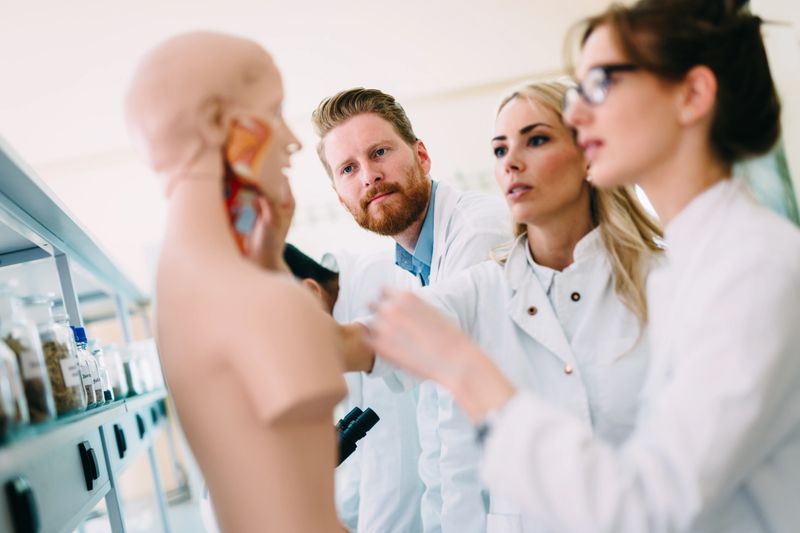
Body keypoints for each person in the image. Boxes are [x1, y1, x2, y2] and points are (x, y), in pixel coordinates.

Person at [369, 1, 800, 532]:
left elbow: (649, 509)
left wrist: (467, 371)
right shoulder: (695, 266)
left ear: (692, 95)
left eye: (602, 84)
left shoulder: (751, 270)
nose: (576, 116)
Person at [378, 79, 663, 532]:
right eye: (499, 149)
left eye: (537, 140)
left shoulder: (666, 281)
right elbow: (371, 338)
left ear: (589, 152)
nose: (510, 161)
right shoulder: (486, 285)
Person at [124, 32, 346, 532]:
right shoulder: (263, 301)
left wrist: (269, 260)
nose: (292, 140)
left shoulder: (181, 289)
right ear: (215, 123)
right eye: (274, 110)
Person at [312, 88, 512, 532]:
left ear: (421, 156)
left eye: (379, 152)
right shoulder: (409, 263)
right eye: (348, 169)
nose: (369, 176)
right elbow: (433, 429)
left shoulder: (475, 234)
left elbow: (461, 429)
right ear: (341, 197)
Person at [283, 243, 424, 532]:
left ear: (310, 294)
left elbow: (395, 472)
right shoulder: (336, 306)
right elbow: (363, 462)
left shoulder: (375, 290)